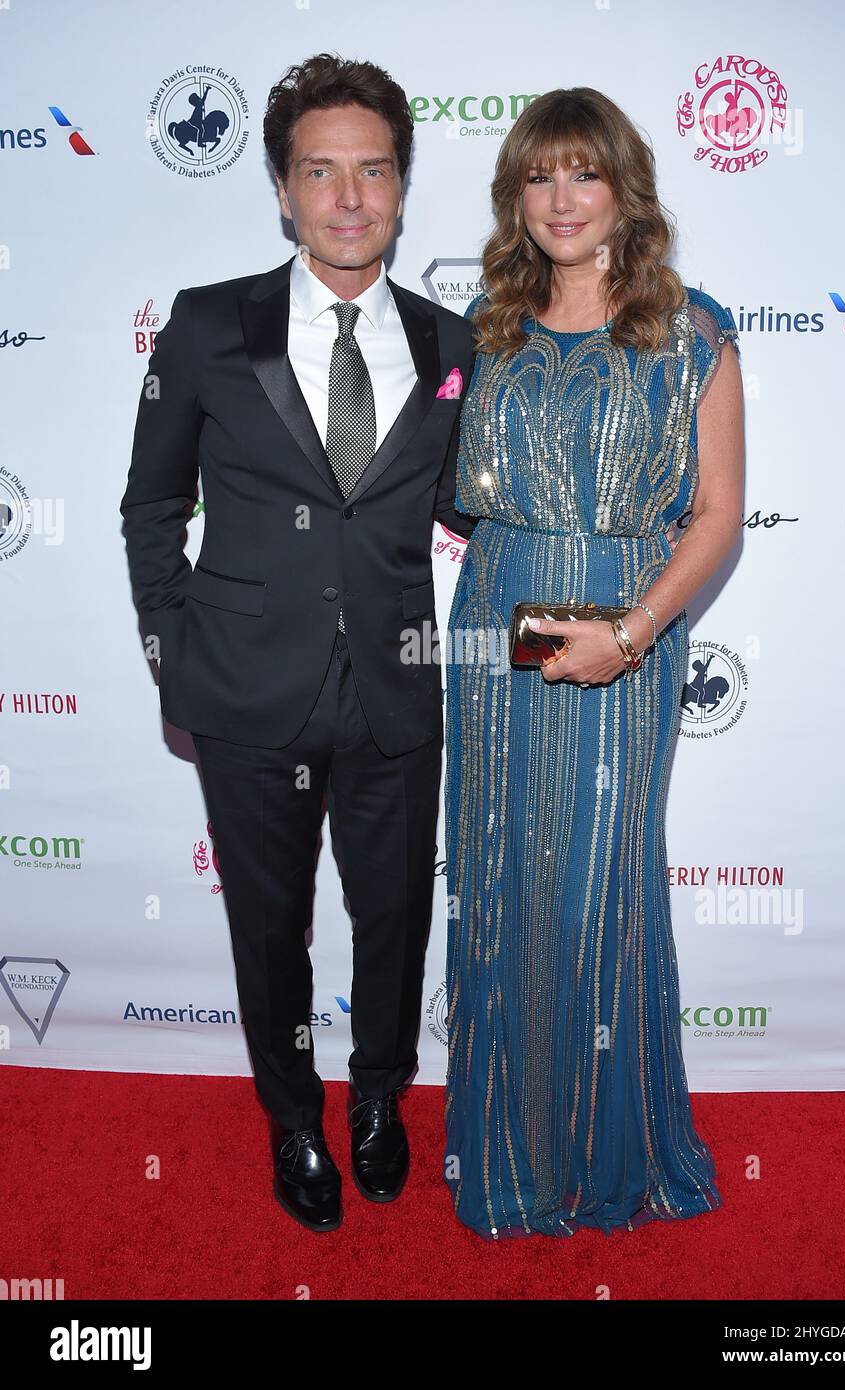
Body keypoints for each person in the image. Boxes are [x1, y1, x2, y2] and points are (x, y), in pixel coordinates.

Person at [120, 54, 477, 1233]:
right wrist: (178, 655)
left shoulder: (449, 341)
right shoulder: (210, 324)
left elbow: (475, 509)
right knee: (268, 932)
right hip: (245, 695)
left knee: (393, 921)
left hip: (396, 693)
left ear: (401, 185)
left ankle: (379, 1101)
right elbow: (151, 508)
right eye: (320, 171)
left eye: (372, 170)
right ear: (282, 188)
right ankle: (292, 1118)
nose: (348, 197)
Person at [443, 86, 744, 1239]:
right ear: (515, 196)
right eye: (537, 175)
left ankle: (606, 1142)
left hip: (630, 621)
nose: (560, 199)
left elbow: (716, 514)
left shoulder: (691, 328)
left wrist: (628, 635)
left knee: (600, 887)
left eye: (582, 172)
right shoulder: (485, 325)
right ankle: (511, 1149)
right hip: (494, 617)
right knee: (501, 873)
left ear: (625, 186)